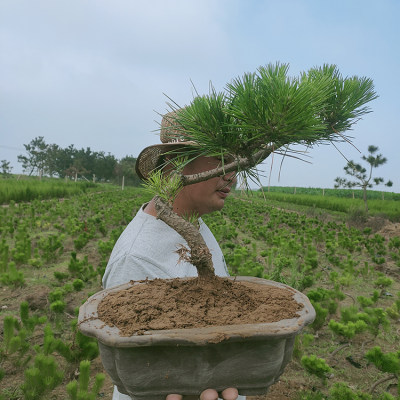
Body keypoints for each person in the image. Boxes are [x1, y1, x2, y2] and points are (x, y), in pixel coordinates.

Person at [102, 111, 242, 400]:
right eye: (220, 159)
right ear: (179, 164)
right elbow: (139, 374)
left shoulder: (193, 224)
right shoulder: (136, 259)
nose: (232, 174)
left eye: (235, 161)